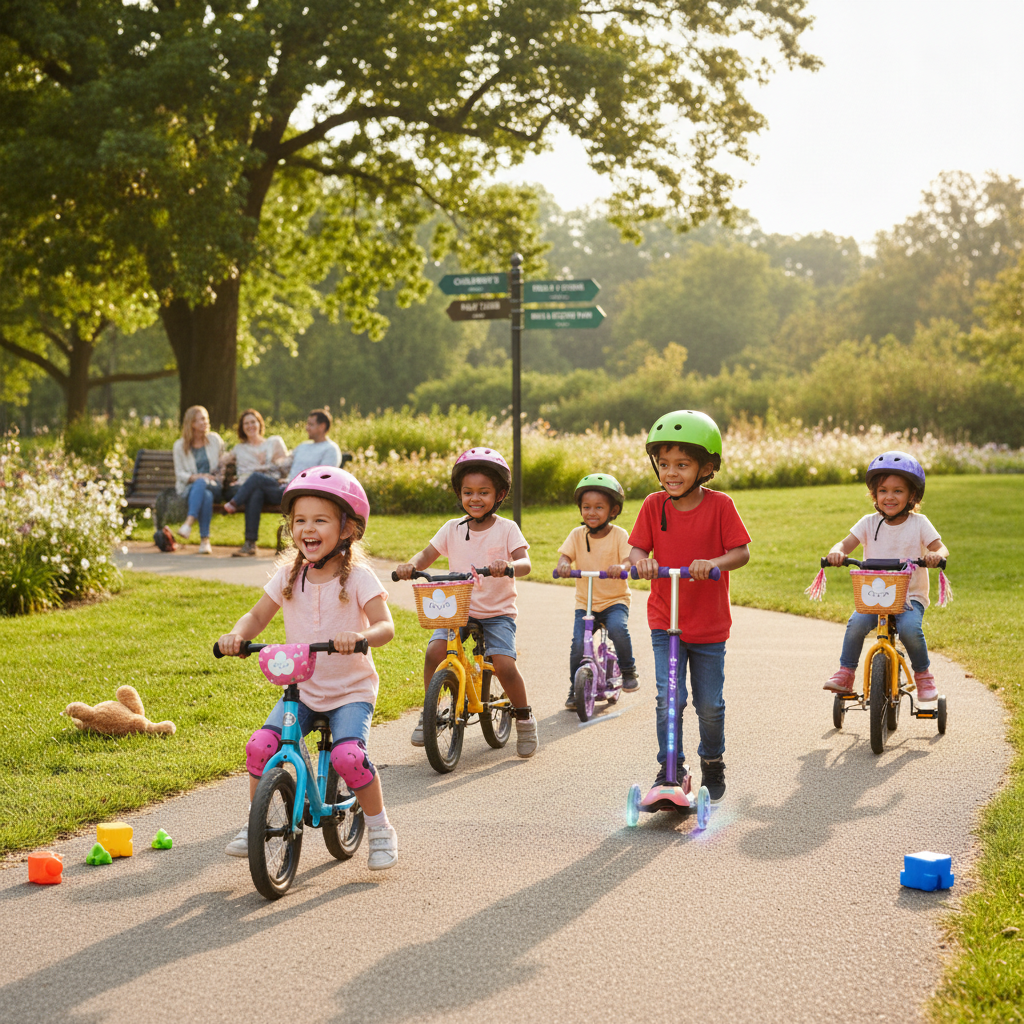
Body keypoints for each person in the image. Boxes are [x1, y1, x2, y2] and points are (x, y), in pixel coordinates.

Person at [216, 466, 399, 870]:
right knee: (260, 748)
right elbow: (256, 617)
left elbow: (386, 626)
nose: (307, 529)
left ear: (347, 528)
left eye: (320, 520)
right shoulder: (288, 577)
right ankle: (256, 823)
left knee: (349, 757)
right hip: (303, 690)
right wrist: (236, 636)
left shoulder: (359, 579)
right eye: (300, 520)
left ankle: (380, 827)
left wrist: (361, 634)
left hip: (350, 691)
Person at [617, 410, 750, 803]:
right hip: (665, 619)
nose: (670, 473)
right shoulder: (653, 505)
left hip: (708, 625)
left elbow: (740, 552)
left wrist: (713, 563)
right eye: (664, 464)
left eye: (682, 464)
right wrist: (639, 561)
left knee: (709, 704)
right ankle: (669, 765)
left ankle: (712, 760)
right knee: (669, 698)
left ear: (705, 467)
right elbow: (637, 548)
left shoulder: (721, 505)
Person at [393, 447, 538, 757]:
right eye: (468, 492)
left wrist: (508, 566)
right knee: (434, 652)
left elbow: (525, 563)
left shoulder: (506, 529)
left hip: (497, 613)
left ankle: (524, 716)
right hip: (457, 608)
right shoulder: (451, 528)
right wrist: (411, 565)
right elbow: (426, 555)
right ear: (459, 494)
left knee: (503, 665)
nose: (475, 498)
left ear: (499, 494)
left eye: (483, 492)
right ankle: (430, 712)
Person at [822, 451, 948, 701]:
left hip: (909, 596)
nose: (889, 497)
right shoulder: (868, 523)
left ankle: (923, 676)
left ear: (912, 496)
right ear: (874, 495)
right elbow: (844, 545)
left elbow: (940, 548)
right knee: (856, 623)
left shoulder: (919, 523)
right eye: (883, 491)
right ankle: (846, 673)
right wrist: (836, 553)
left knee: (910, 629)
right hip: (874, 595)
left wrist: (935, 556)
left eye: (898, 491)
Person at [555, 473, 638, 709]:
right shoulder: (576, 535)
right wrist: (563, 565)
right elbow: (566, 556)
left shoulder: (620, 535)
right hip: (586, 603)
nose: (591, 512)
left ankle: (629, 670)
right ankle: (574, 688)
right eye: (586, 507)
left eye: (599, 507)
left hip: (614, 600)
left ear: (613, 511)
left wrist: (621, 567)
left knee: (617, 629)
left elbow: (628, 561)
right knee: (578, 646)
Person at [223, 408, 343, 557]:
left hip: (304, 492)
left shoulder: (330, 449)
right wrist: (264, 467)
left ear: (322, 426)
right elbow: (284, 464)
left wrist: (299, 483)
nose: (306, 427)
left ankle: (234, 503)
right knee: (257, 491)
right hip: (285, 488)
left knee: (256, 478)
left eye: (311, 424)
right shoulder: (303, 446)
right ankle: (250, 543)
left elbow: (325, 477)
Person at [171, 405, 226, 555]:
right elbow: (179, 473)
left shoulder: (215, 439)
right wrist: (196, 477)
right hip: (191, 488)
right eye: (201, 419)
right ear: (192, 424)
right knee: (204, 493)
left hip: (214, 485)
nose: (205, 422)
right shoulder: (179, 446)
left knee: (206, 488)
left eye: (206, 418)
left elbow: (224, 460)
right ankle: (205, 541)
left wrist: (219, 474)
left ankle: (189, 523)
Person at [221, 408, 289, 498]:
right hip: (244, 485)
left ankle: (233, 503)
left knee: (257, 490)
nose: (250, 426)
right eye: (246, 423)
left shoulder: (273, 442)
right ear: (242, 427)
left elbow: (285, 465)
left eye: (253, 422)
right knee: (256, 493)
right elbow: (221, 462)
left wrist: (274, 461)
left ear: (259, 424)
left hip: (268, 484)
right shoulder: (239, 448)